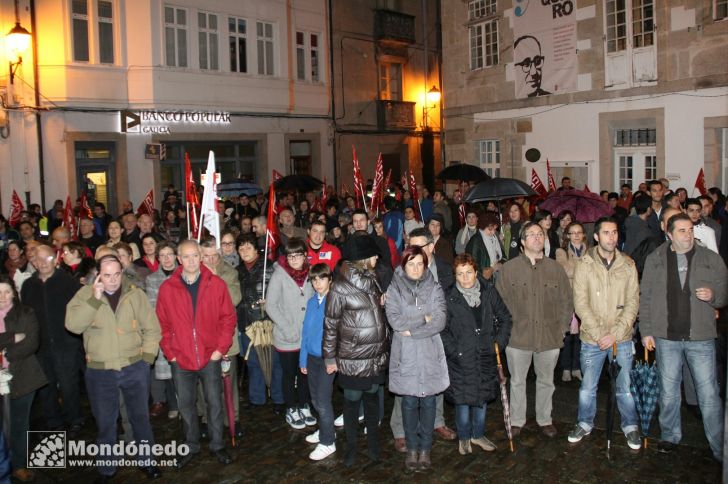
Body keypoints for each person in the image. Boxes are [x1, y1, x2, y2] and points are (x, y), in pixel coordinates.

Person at [640, 213, 728, 461]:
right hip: (666, 336)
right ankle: (669, 435)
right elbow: (645, 297)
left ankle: (720, 446)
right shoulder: (655, 259)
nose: (688, 234)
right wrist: (645, 330)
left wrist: (713, 296)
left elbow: (724, 292)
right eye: (682, 230)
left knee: (708, 392)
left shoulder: (710, 258)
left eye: (690, 230)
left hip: (700, 336)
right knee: (668, 391)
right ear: (669, 234)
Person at [66, 255, 162, 481]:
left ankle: (147, 461)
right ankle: (107, 468)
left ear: (122, 272)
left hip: (133, 367)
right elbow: (73, 325)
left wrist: (147, 359)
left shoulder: (134, 294)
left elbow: (152, 328)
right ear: (98, 274)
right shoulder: (84, 295)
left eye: (116, 274)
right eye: (106, 275)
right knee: (106, 422)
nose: (112, 280)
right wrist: (94, 299)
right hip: (100, 371)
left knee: (140, 418)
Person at [155, 240, 236, 468]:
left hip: (210, 356)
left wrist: (220, 349)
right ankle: (191, 445)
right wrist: (170, 353)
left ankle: (217, 444)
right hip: (181, 359)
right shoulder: (167, 288)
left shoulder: (216, 284)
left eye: (195, 256)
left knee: (214, 403)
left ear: (201, 257)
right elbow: (162, 324)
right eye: (186, 256)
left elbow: (228, 318)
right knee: (186, 406)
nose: (191, 260)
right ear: (179, 259)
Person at [567, 217, 641, 450]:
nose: (612, 237)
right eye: (606, 233)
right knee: (588, 388)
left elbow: (632, 303)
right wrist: (600, 334)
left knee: (625, 388)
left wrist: (616, 333)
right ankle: (584, 422)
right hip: (592, 339)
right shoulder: (585, 264)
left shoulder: (628, 264)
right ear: (597, 237)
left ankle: (630, 426)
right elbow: (580, 303)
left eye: (615, 232)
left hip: (622, 338)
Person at [495, 222, 573, 437]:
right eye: (531, 235)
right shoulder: (509, 269)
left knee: (547, 381)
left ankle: (544, 418)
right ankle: (517, 420)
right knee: (518, 381)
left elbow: (567, 301)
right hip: (518, 338)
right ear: (522, 242)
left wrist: (562, 329)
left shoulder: (555, 269)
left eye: (541, 234)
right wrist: (504, 333)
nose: (537, 238)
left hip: (549, 337)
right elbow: (498, 304)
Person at [323, 236, 389, 467]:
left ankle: (373, 446)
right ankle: (350, 448)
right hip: (352, 358)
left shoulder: (373, 279)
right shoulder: (340, 288)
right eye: (373, 255)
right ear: (362, 259)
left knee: (372, 402)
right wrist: (330, 357)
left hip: (375, 356)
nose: (377, 258)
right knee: (351, 404)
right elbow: (331, 324)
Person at [389, 228, 456, 452]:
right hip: (407, 346)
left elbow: (441, 314)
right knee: (406, 389)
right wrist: (423, 319)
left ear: (431, 246)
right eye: (412, 246)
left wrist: (421, 324)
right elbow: (397, 317)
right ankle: (400, 430)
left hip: (437, 337)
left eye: (422, 246)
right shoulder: (399, 275)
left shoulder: (445, 271)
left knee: (434, 384)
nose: (417, 251)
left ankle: (437, 422)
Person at [441, 254, 512, 455]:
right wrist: (455, 351)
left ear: (476, 272)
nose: (465, 278)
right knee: (462, 400)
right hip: (461, 358)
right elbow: (442, 330)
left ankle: (478, 434)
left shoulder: (488, 291)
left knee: (481, 398)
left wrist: (498, 343)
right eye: (460, 274)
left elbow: (505, 318)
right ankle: (464, 437)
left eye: (469, 273)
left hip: (485, 354)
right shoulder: (449, 296)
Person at [20, 244, 84, 436]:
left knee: (68, 384)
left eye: (47, 259)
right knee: (45, 386)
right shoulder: (29, 286)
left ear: (55, 259)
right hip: (40, 345)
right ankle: (53, 421)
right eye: (38, 260)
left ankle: (75, 419)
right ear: (33, 262)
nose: (43, 263)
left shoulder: (68, 283)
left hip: (66, 343)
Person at [0, 275, 47, 482]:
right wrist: (10, 338)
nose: (3, 297)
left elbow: (31, 343)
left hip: (23, 376)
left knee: (19, 424)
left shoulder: (26, 313)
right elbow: (17, 340)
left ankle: (19, 464)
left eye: (7, 291)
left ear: (14, 292)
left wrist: (4, 354)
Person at [265, 238, 316, 430]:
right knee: (289, 374)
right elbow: (271, 305)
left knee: (305, 373)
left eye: (299, 255)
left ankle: (304, 405)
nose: (295, 259)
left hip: (307, 336)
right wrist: (287, 328)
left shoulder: (311, 274)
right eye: (291, 255)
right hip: (287, 336)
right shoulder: (279, 275)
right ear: (286, 257)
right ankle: (291, 408)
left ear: (305, 255)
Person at [199, 238, 243, 438]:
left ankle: (231, 419)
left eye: (213, 256)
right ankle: (207, 420)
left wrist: (217, 280)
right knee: (204, 383)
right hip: (202, 340)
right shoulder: (193, 274)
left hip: (225, 340)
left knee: (228, 380)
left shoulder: (229, 272)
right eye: (205, 256)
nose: (209, 260)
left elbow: (235, 299)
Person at [235, 233, 283, 410]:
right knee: (254, 363)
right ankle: (257, 398)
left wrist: (270, 301)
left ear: (256, 249)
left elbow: (281, 293)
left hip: (268, 322)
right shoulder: (237, 271)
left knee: (275, 362)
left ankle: (279, 398)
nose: (245, 251)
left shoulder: (270, 268)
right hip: (247, 324)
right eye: (241, 248)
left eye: (248, 247)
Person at [299, 263, 337, 461]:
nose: (317, 283)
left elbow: (340, 334)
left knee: (322, 400)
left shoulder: (334, 302)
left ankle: (328, 442)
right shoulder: (313, 301)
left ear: (330, 279)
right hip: (312, 358)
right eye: (314, 279)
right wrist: (303, 357)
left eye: (322, 278)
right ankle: (325, 430)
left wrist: (334, 359)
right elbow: (305, 332)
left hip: (327, 360)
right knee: (315, 399)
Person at [145, 241, 180, 420]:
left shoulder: (184, 275)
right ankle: (173, 405)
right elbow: (153, 306)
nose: (167, 259)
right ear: (158, 259)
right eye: (163, 255)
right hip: (163, 328)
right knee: (167, 368)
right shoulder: (152, 279)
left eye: (170, 254)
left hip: (183, 327)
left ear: (176, 256)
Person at [555, 221, 588, 382]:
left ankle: (577, 367)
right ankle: (566, 368)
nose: (576, 235)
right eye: (572, 232)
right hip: (567, 298)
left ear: (583, 234)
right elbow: (564, 270)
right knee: (567, 335)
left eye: (579, 232)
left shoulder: (590, 252)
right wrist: (582, 265)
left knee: (582, 336)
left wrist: (575, 266)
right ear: (567, 235)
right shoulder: (561, 251)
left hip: (585, 298)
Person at [465, 211, 505, 280]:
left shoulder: (494, 238)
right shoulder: (475, 241)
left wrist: (500, 263)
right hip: (484, 280)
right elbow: (472, 264)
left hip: (498, 275)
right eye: (490, 229)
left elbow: (503, 256)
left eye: (495, 229)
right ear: (483, 227)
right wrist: (491, 269)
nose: (493, 232)